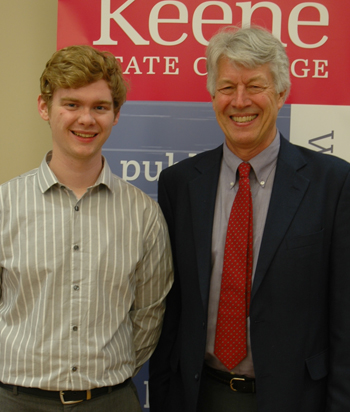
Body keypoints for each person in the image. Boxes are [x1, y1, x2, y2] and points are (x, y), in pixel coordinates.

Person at [149, 26, 350, 412]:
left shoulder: (333, 184)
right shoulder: (179, 185)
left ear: (281, 93)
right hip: (199, 395)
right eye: (227, 87)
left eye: (255, 85)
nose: (240, 101)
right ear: (212, 96)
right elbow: (170, 310)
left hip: (296, 399)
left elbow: (344, 319)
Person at [0, 45, 173, 412]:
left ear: (115, 115)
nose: (86, 119)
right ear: (45, 108)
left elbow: (149, 315)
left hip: (110, 400)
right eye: (72, 104)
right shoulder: (5, 205)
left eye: (99, 107)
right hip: (16, 399)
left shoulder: (144, 214)